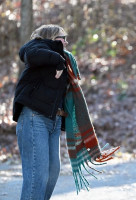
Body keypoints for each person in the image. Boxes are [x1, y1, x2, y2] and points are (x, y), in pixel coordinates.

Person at [13, 24, 119, 199]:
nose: (67, 41)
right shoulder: (36, 48)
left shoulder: (62, 59)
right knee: (36, 176)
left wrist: (61, 62)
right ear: (52, 38)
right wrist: (59, 61)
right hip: (33, 117)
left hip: (53, 120)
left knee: (52, 172)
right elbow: (29, 54)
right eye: (63, 37)